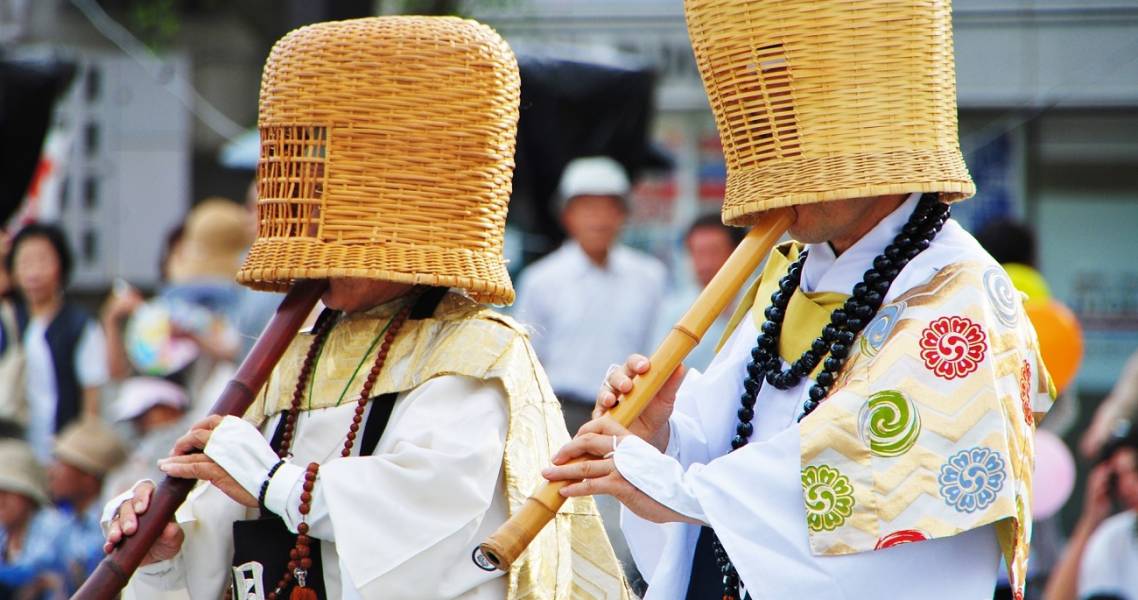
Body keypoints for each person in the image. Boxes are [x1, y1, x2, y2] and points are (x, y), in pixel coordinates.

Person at [102, 16, 628, 600]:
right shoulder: (291, 355)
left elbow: (430, 517)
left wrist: (275, 481)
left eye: (340, 235)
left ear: (401, 230)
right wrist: (163, 553)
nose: (318, 255)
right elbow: (222, 539)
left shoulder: (476, 353)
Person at [541, 1, 1055, 598]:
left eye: (798, 139)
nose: (774, 167)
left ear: (875, 133)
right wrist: (662, 436)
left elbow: (866, 470)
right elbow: (733, 432)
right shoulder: (789, 270)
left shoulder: (964, 295)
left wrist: (679, 488)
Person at [514, 155, 666, 433]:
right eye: (588, 208)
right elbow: (526, 363)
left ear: (623, 214)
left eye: (608, 208)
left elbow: (657, 349)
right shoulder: (541, 280)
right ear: (567, 216)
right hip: (560, 414)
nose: (599, 219)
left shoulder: (649, 277)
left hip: (628, 411)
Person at [6, 223, 108, 462]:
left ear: (61, 265)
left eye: (43, 261)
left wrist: (78, 453)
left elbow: (91, 400)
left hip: (60, 448)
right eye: (25, 262)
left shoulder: (80, 325)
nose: (34, 273)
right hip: (13, 448)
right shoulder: (7, 321)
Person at [1044, 424, 1138, 600]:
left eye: (1135, 470)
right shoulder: (1115, 536)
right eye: (1118, 477)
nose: (1127, 486)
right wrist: (1091, 520)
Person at [653, 214, 747, 372]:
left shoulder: (761, 304)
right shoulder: (675, 312)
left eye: (714, 252)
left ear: (738, 252)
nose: (706, 263)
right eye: (698, 253)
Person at [48, 419, 126, 592]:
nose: (51, 472)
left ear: (88, 479)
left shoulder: (109, 529)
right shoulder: (67, 521)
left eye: (61, 466)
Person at [0, 439, 68, 598]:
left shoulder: (53, 526)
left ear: (29, 496)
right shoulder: (4, 531)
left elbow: (32, 570)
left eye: (8, 492)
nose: (1, 501)